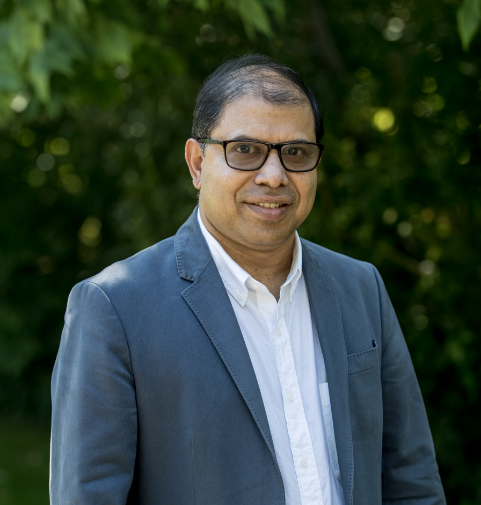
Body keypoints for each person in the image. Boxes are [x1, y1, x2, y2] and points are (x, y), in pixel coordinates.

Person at [50, 54, 446, 505]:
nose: (274, 176)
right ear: (197, 163)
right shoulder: (114, 307)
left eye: (295, 152)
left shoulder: (361, 287)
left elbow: (411, 476)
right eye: (245, 150)